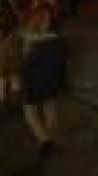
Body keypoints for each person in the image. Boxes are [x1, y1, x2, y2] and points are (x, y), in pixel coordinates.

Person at [20, 12, 68, 158]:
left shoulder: (29, 40)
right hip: (51, 80)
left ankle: (44, 139)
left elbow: (25, 62)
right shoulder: (58, 40)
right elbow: (64, 61)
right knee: (50, 108)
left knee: (30, 112)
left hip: (33, 81)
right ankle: (49, 139)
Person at [0, 0, 25, 106]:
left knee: (0, 78)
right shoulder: (16, 19)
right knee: (15, 77)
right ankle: (16, 100)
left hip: (0, 53)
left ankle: (3, 101)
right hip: (15, 53)